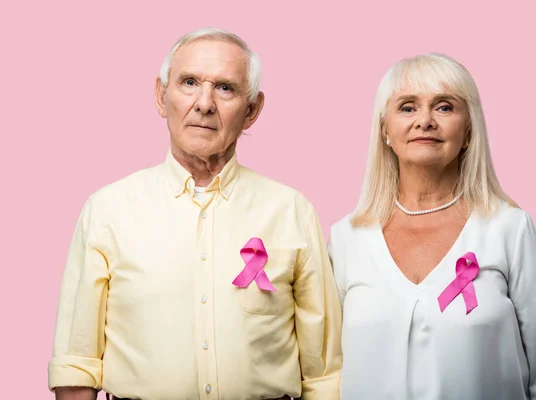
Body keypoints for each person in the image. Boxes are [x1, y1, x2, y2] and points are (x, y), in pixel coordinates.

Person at [48, 28, 342, 400]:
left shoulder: (291, 211)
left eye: (225, 88)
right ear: (161, 95)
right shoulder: (107, 209)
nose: (204, 104)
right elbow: (76, 364)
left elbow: (325, 374)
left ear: (251, 110)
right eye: (189, 82)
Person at [328, 53, 536, 399]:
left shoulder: (510, 231)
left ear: (469, 130)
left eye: (444, 107)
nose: (425, 120)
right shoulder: (345, 239)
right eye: (408, 107)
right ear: (384, 129)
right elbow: (327, 371)